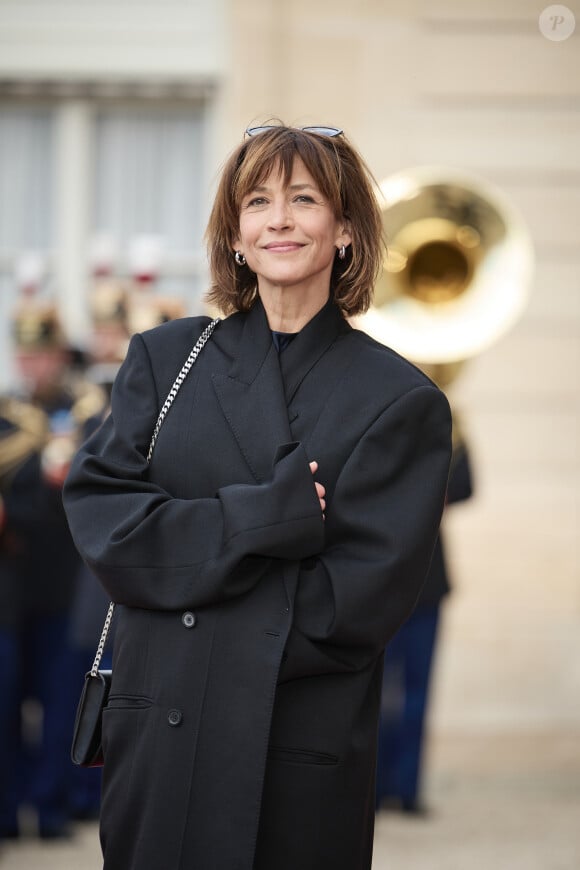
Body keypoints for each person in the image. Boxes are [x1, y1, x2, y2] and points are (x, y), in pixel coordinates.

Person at [63, 123, 452, 870]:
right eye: (258, 201)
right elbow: (110, 532)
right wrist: (267, 518)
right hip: (159, 754)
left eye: (304, 199)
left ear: (343, 231)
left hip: (291, 755)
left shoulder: (401, 400)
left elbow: (352, 606)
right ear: (235, 236)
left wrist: (182, 593)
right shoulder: (165, 358)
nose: (279, 218)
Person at [376, 425, 473, 815]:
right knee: (382, 691)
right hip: (387, 577)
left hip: (429, 578)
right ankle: (377, 787)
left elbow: (467, 487)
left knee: (417, 691)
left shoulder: (454, 429)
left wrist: (457, 444)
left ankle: (408, 789)